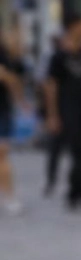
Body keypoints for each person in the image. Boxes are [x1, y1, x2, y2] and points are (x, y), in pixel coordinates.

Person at [45, 14, 81, 211]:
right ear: (72, 27)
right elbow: (51, 86)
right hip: (68, 110)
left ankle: (73, 193)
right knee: (77, 151)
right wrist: (53, 115)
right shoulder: (58, 57)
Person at [0, 29, 26, 215]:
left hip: (1, 109)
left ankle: (9, 196)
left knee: (2, 155)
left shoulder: (3, 53)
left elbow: (13, 79)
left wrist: (20, 100)